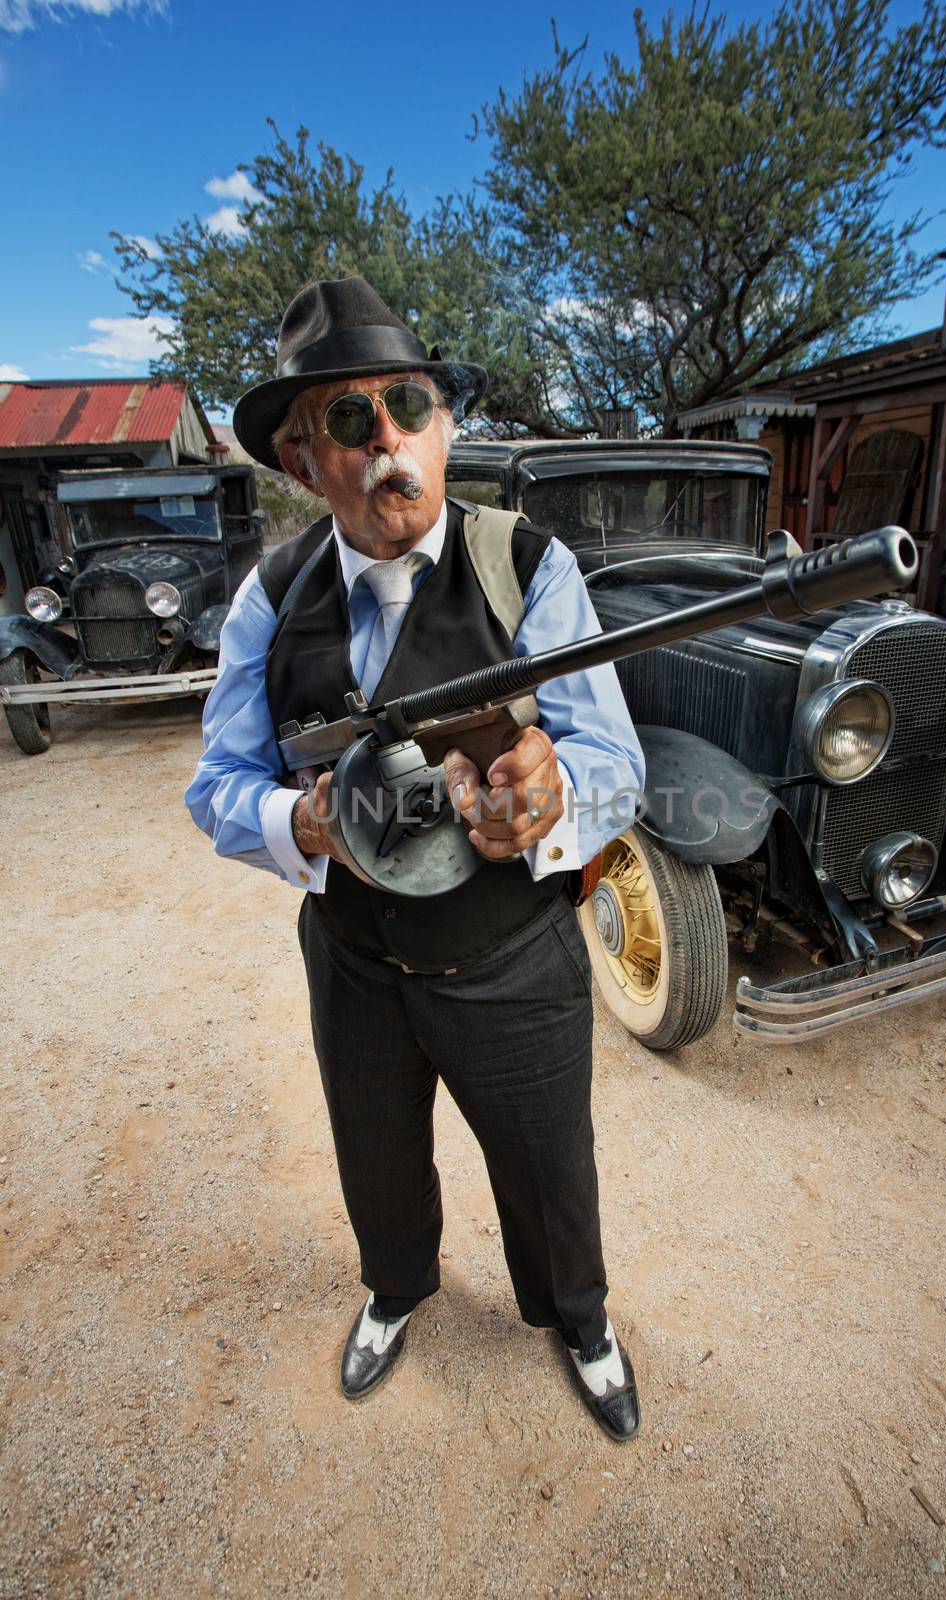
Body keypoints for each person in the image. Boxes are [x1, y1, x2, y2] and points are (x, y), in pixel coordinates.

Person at [185, 277, 646, 1442]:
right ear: (302, 462)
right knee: (375, 1158)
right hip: (353, 959)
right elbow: (217, 782)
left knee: (550, 1169)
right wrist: (302, 826)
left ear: (442, 424)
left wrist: (550, 797)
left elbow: (614, 762)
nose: (385, 435)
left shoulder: (523, 564)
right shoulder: (270, 594)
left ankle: (579, 1322)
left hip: (510, 957)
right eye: (349, 420)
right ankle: (394, 1292)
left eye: (407, 403)